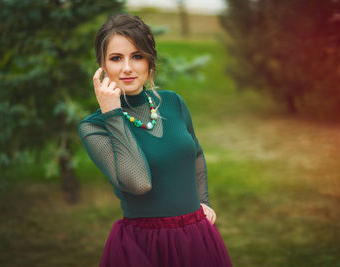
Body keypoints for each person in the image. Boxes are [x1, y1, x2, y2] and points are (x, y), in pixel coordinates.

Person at [78, 13, 233, 267]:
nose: (127, 67)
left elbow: (194, 153)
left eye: (137, 56)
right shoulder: (94, 126)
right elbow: (138, 183)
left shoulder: (172, 102)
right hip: (145, 246)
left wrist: (202, 201)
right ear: (102, 66)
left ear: (150, 61)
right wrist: (113, 114)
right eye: (116, 58)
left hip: (196, 238)